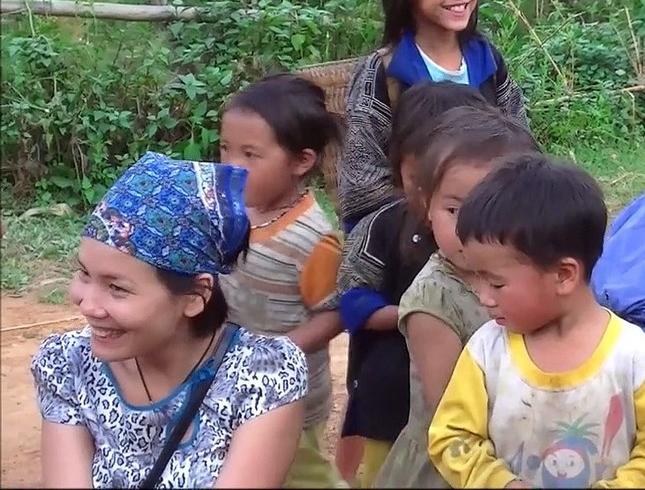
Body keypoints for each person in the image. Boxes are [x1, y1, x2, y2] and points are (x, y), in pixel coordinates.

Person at [33, 152, 309, 488]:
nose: (87, 304)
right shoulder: (66, 365)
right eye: (84, 273)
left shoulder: (262, 375)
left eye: (117, 288)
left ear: (195, 297)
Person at [428, 154, 645, 489]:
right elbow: (451, 437)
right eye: (477, 280)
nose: (484, 297)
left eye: (495, 283)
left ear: (564, 275)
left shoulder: (632, 357)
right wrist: (498, 483)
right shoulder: (486, 352)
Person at [327, 82, 492, 486]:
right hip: (390, 390)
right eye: (419, 178)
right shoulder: (381, 226)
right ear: (397, 164)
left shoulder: (499, 240)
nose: (426, 192)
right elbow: (351, 300)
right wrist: (414, 315)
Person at [373, 104, 543, 488]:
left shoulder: (533, 275)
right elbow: (449, 417)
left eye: (492, 209)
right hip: (457, 465)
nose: (471, 227)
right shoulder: (434, 301)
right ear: (426, 206)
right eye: (454, 208)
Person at [337, 0, 530, 234]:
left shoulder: (488, 60)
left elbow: (521, 145)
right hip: (409, 230)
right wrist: (437, 212)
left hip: (493, 222)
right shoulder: (384, 72)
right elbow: (361, 182)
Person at [215, 74, 347, 488]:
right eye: (225, 148)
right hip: (233, 383)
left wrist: (277, 351)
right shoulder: (234, 211)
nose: (231, 165)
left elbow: (335, 315)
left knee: (299, 476)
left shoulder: (312, 239)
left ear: (301, 161)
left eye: (250, 154)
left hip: (287, 396)